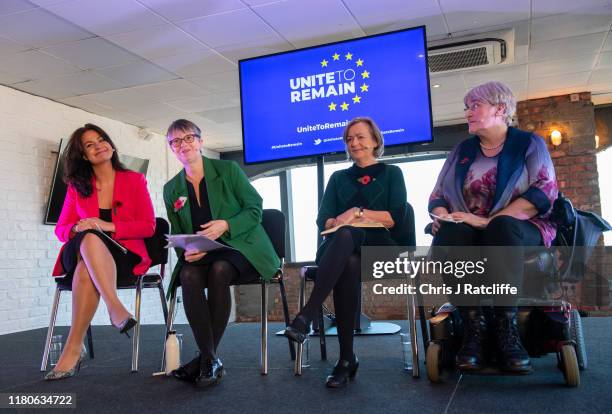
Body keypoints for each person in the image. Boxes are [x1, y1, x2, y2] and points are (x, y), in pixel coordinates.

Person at [428, 81, 558, 373]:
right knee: (452, 233)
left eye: (475, 106)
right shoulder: (463, 149)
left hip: (522, 227)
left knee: (501, 229)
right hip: (472, 227)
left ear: (501, 109)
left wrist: (488, 220)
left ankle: (506, 330)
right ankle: (473, 328)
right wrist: (443, 215)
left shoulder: (528, 143)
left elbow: (543, 191)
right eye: (467, 107)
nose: (468, 113)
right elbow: (437, 194)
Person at [284, 117, 407, 388]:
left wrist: (357, 213)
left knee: (349, 233)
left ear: (375, 140)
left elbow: (394, 217)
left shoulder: (392, 173)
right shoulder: (338, 178)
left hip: (380, 247)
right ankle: (346, 359)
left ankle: (307, 314)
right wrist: (340, 220)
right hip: (342, 250)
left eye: (360, 137)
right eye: (349, 139)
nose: (354, 142)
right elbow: (323, 221)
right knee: (348, 258)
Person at [163, 119, 280, 388]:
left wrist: (226, 225)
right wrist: (187, 251)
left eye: (189, 138)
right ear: (171, 148)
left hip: (242, 246)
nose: (184, 145)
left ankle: (205, 359)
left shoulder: (228, 170)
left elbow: (255, 209)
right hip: (204, 253)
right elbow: (180, 231)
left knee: (220, 271)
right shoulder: (171, 189)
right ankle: (210, 359)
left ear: (200, 141)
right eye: (176, 141)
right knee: (189, 275)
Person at [47, 124, 155, 380]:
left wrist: (106, 225)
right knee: (90, 238)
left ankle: (74, 348)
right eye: (90, 144)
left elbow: (149, 226)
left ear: (111, 144)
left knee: (87, 263)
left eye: (101, 139)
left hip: (122, 255)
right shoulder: (77, 187)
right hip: (80, 250)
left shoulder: (134, 180)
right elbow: (61, 230)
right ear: (84, 155)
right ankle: (114, 306)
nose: (99, 146)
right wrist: (79, 226)